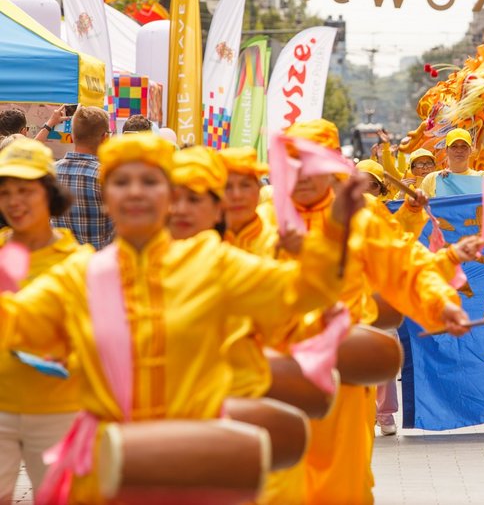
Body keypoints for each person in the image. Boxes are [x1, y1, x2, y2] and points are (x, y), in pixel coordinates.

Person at [0, 132, 352, 503]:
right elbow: (16, 325)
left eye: (150, 181)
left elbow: (305, 291)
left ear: (169, 196)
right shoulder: (78, 276)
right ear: (106, 199)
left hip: (197, 462)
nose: (135, 192)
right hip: (109, 471)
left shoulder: (212, 263)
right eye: (121, 182)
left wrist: (333, 232)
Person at [260, 119, 475, 504]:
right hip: (276, 373)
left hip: (345, 370)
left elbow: (406, 267)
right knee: (279, 480)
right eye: (294, 163)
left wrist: (440, 302)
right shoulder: (265, 219)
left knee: (346, 481)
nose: (303, 175)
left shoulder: (364, 216)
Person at [0, 139, 83, 503]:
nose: (14, 202)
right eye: (5, 192)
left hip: (58, 411)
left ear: (49, 193)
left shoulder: (79, 262)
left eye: (25, 191)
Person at [52, 106, 114, 249]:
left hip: (62, 265)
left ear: (72, 136)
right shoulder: (107, 177)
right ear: (105, 137)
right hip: (99, 266)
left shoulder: (50, 173)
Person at [419, 128, 484, 197]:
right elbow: (421, 206)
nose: (459, 150)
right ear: (446, 150)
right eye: (454, 146)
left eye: (464, 146)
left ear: (470, 150)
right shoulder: (431, 179)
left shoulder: (482, 178)